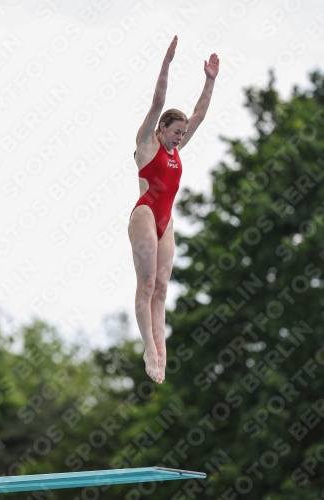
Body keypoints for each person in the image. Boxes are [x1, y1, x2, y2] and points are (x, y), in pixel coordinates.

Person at [128, 35, 219, 384]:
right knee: (147, 282)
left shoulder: (176, 151)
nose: (181, 137)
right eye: (176, 131)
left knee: (163, 288)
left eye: (183, 134)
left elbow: (198, 115)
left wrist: (209, 80)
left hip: (167, 220)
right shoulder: (147, 143)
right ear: (162, 128)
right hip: (145, 214)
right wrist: (166, 63)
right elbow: (159, 100)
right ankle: (148, 348)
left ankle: (161, 354)